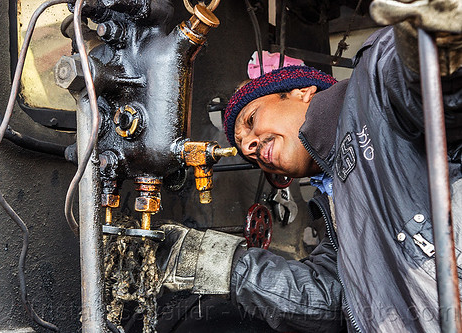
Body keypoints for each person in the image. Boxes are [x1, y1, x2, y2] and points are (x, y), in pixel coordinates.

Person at [156, 1, 462, 331]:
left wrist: (432, 41)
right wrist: (217, 263)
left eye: (251, 119)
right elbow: (330, 300)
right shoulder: (335, 206)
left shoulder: (374, 88)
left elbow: (424, 83)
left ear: (302, 91)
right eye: (246, 151)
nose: (248, 146)